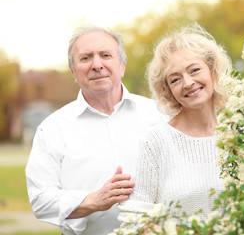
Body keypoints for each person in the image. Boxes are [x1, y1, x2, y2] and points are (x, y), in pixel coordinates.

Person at [25, 26, 167, 235]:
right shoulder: (52, 128)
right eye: (85, 58)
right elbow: (40, 200)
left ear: (122, 66)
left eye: (105, 55)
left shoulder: (160, 115)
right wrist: (93, 200)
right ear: (74, 73)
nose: (97, 65)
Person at [117, 23, 232, 229]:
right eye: (175, 79)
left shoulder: (241, 136)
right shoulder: (156, 142)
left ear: (212, 70)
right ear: (168, 90)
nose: (188, 83)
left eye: (194, 70)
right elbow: (133, 220)